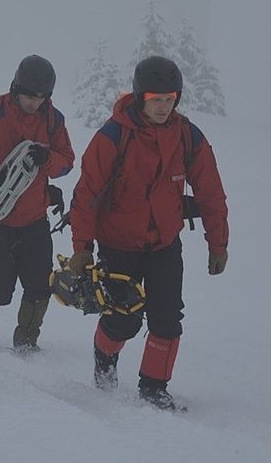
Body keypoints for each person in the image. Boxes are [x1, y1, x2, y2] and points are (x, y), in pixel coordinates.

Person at [67, 55, 229, 410]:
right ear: (141, 96)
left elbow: (211, 192)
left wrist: (218, 243)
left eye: (170, 99)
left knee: (167, 319)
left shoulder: (188, 136)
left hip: (164, 245)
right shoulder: (113, 136)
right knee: (124, 320)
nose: (163, 106)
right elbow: (86, 195)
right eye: (156, 99)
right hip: (118, 243)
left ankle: (154, 389)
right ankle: (104, 364)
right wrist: (82, 248)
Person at [0, 55, 75, 353]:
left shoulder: (53, 120)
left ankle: (27, 342)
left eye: (40, 97)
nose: (34, 102)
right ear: (16, 87)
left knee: (39, 285)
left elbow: (67, 162)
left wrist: (47, 160)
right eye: (29, 95)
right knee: (0, 286)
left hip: (34, 216)